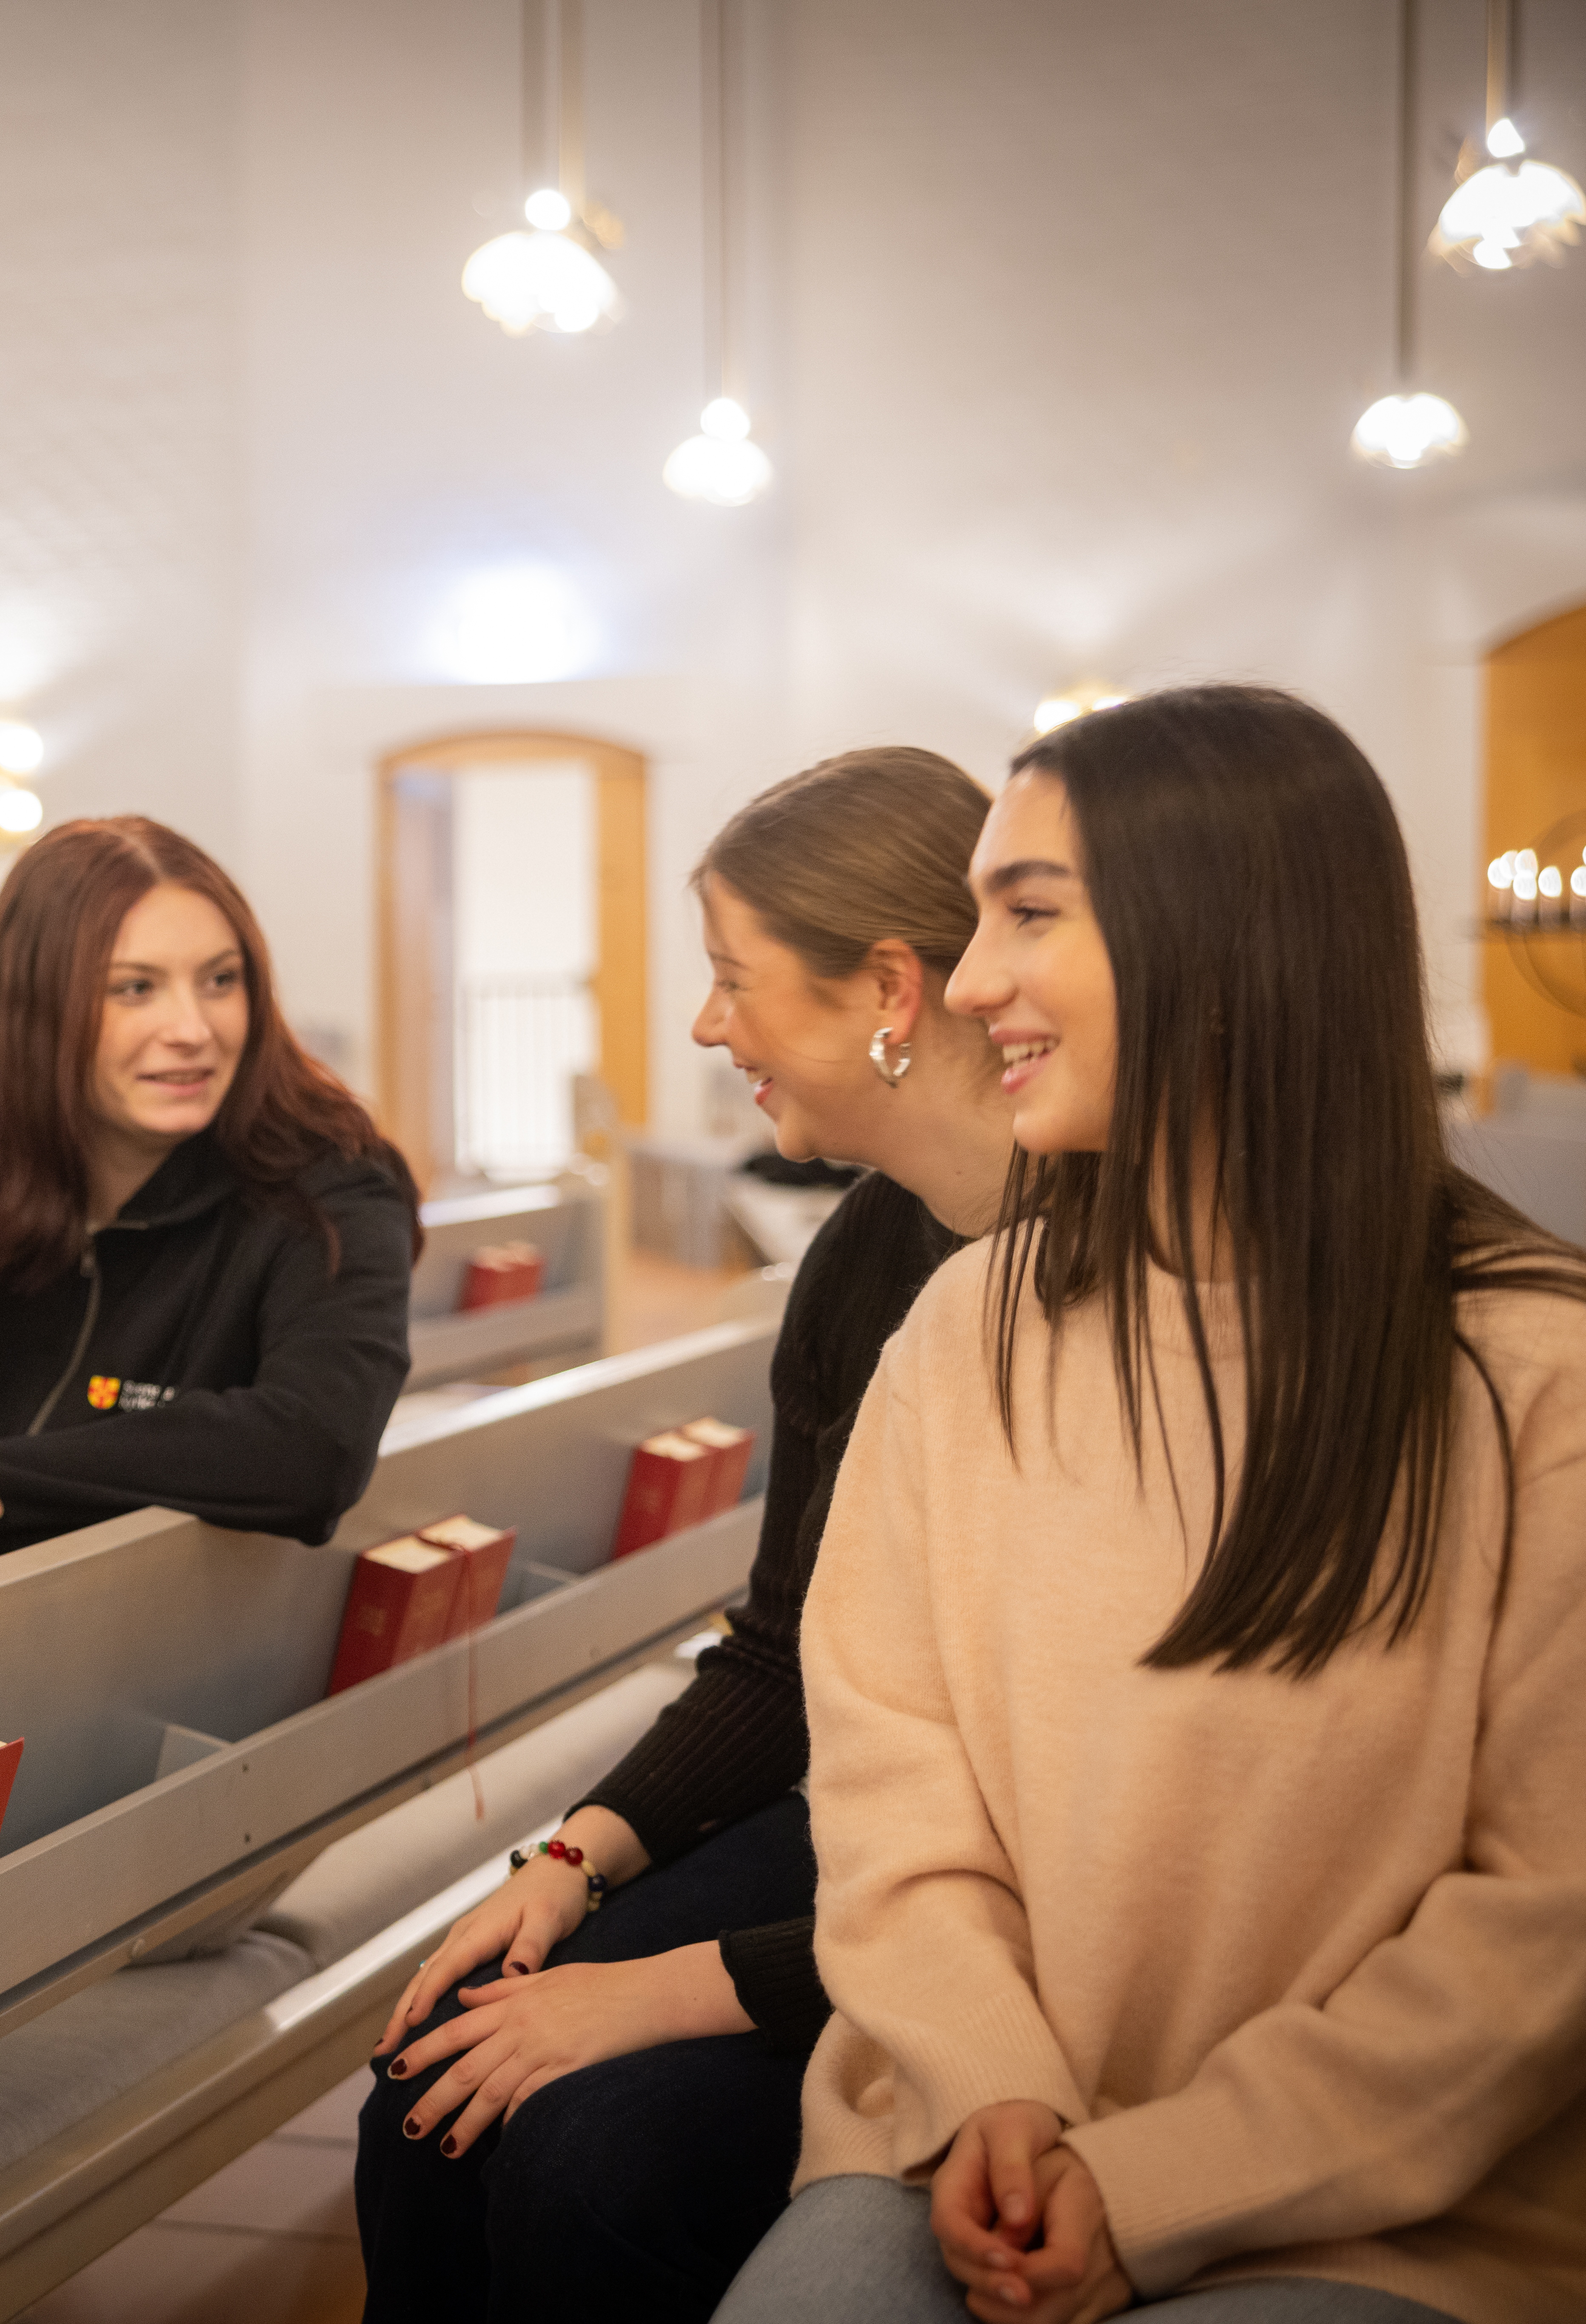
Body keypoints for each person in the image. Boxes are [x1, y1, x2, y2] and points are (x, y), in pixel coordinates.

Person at [717, 686, 1586, 2323]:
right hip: (961, 2143)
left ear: (1229, 941)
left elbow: (1543, 1924)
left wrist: (1154, 2180)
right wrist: (998, 2097)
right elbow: (897, 1787)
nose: (969, 985)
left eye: (1027, 915)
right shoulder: (968, 1326)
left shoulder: (1532, 1379)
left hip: (1384, 2210)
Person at [353, 748, 1013, 2321]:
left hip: (1009, 1877)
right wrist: (576, 1858)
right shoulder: (866, 1256)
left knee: (592, 2156)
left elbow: (1057, 1823)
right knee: (426, 2094)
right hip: (861, 1817)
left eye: (732, 979)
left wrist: (654, 1993)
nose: (706, 1026)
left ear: (892, 989)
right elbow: (786, 1643)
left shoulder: (1093, 1282)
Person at [0, 816, 415, 1621]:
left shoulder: (328, 1190)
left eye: (221, 980)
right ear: (38, 1006)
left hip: (192, 1668)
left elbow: (309, 1449)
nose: (193, 1029)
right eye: (135, 988)